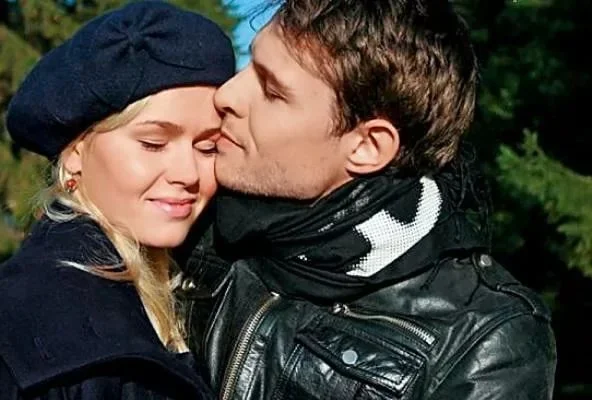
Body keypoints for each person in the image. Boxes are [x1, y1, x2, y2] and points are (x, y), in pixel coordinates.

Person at [179, 0, 558, 399]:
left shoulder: (482, 340)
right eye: (249, 66)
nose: (227, 95)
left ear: (367, 146)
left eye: (273, 91)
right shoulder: (183, 216)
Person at [0, 1, 234, 399]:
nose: (189, 173)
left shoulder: (204, 283)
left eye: (208, 147)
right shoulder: (34, 337)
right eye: (153, 143)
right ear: (75, 152)